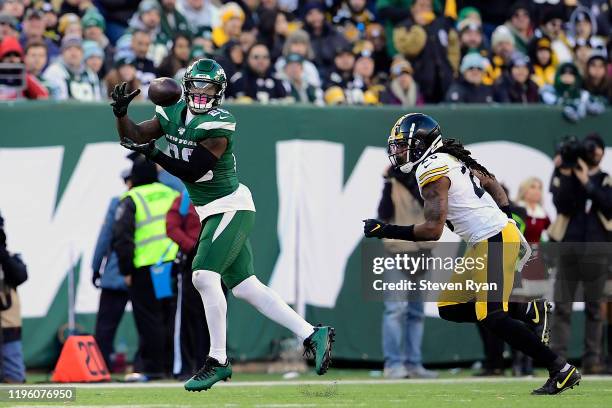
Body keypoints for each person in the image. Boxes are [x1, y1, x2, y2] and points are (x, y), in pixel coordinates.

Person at [109, 58, 335, 391]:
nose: (201, 94)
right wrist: (120, 115)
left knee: (202, 275)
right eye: (196, 87)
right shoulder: (171, 112)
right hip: (210, 209)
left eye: (208, 89)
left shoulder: (220, 123)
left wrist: (153, 154)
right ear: (186, 88)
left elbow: (194, 171)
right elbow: (136, 135)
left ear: (219, 93)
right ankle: (311, 334)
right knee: (245, 287)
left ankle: (218, 360)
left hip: (231, 205)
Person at [363, 113, 581, 395]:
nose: (399, 152)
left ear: (421, 144)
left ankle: (560, 369)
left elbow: (432, 231)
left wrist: (385, 229)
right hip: (487, 238)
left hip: (492, 238)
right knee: (450, 307)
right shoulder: (451, 159)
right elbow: (491, 182)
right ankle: (527, 309)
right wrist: (506, 217)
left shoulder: (431, 169)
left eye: (404, 145)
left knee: (492, 316)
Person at [111, 157, 180, 381]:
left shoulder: (132, 198)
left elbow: (122, 238)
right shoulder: (172, 194)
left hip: (145, 268)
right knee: (170, 317)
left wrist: (126, 270)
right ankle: (174, 366)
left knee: (149, 319)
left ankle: (152, 368)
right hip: (172, 266)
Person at [549, 133, 612, 374]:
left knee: (595, 307)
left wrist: (588, 182)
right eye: (590, 148)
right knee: (563, 305)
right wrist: (563, 173)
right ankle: (558, 360)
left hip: (597, 247)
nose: (592, 152)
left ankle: (592, 359)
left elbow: (608, 206)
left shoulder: (605, 179)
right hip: (570, 246)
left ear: (602, 153)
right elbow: (562, 204)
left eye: (596, 148)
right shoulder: (568, 174)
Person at [376, 166, 437, 379]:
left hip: (422, 251)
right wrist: (387, 182)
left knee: (416, 312)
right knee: (395, 310)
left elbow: (431, 212)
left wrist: (413, 184)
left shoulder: (426, 185)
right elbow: (383, 213)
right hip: (397, 251)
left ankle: (413, 364)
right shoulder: (392, 184)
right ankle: (393, 364)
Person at [92, 170, 131, 371]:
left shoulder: (119, 202)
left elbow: (105, 238)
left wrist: (95, 267)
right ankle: (156, 367)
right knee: (153, 323)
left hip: (116, 274)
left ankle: (100, 367)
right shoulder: (163, 196)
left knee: (105, 327)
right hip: (151, 273)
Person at [0, 212, 28, 383]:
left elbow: (20, 276)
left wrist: (2, 253)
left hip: (8, 327)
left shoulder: (9, 257)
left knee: (15, 380)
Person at [42, 35, 102, 101]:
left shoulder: (90, 73)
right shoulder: (54, 71)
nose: (73, 53)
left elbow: (97, 99)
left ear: (82, 53)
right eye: (69, 49)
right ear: (62, 53)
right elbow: (59, 101)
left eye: (77, 49)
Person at [0, 35, 49, 100]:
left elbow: (43, 96)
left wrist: (23, 75)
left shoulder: (25, 77)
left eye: (16, 55)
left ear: (21, 58)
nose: (12, 59)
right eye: (7, 55)